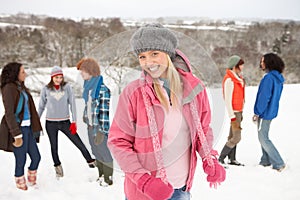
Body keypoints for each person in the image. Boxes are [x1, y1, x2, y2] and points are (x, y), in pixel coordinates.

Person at [108, 24, 226, 200]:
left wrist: (209, 159)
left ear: (169, 54)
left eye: (154, 54)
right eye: (142, 56)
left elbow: (202, 129)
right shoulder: (134, 93)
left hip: (180, 189)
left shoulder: (194, 89)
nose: (148, 62)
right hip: (144, 192)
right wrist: (144, 181)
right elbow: (118, 142)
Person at [38, 66, 96, 178]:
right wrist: (36, 122)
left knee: (78, 142)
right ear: (52, 77)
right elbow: (41, 107)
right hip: (50, 124)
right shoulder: (46, 89)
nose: (59, 79)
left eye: (60, 77)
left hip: (65, 122)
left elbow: (72, 104)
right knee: (54, 147)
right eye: (56, 77)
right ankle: (58, 169)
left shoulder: (67, 87)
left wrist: (74, 122)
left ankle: (91, 162)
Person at [0, 62, 42, 190]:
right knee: (21, 159)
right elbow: (9, 114)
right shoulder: (9, 88)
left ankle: (31, 175)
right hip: (17, 129)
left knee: (36, 157)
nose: (26, 74)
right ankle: (19, 181)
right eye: (23, 72)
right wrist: (16, 134)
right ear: (15, 74)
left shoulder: (21, 87)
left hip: (28, 128)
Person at [76, 58, 114, 186]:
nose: (81, 73)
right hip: (90, 126)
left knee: (103, 151)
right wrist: (85, 118)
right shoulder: (88, 88)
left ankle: (108, 179)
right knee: (95, 151)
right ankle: (101, 175)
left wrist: (102, 131)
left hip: (99, 128)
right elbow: (88, 106)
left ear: (90, 71)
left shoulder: (102, 89)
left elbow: (104, 113)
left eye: (83, 71)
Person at [253, 53, 286, 172]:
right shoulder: (277, 78)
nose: (261, 63)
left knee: (263, 138)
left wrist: (257, 112)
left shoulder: (268, 78)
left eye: (263, 61)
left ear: (269, 63)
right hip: (271, 111)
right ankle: (265, 160)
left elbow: (264, 97)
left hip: (264, 113)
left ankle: (278, 162)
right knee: (263, 136)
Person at [218, 55, 245, 166]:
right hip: (234, 112)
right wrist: (232, 116)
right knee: (236, 137)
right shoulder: (229, 80)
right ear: (235, 66)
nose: (243, 67)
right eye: (241, 65)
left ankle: (232, 159)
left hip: (239, 111)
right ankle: (221, 158)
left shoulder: (237, 78)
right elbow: (227, 100)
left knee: (231, 136)